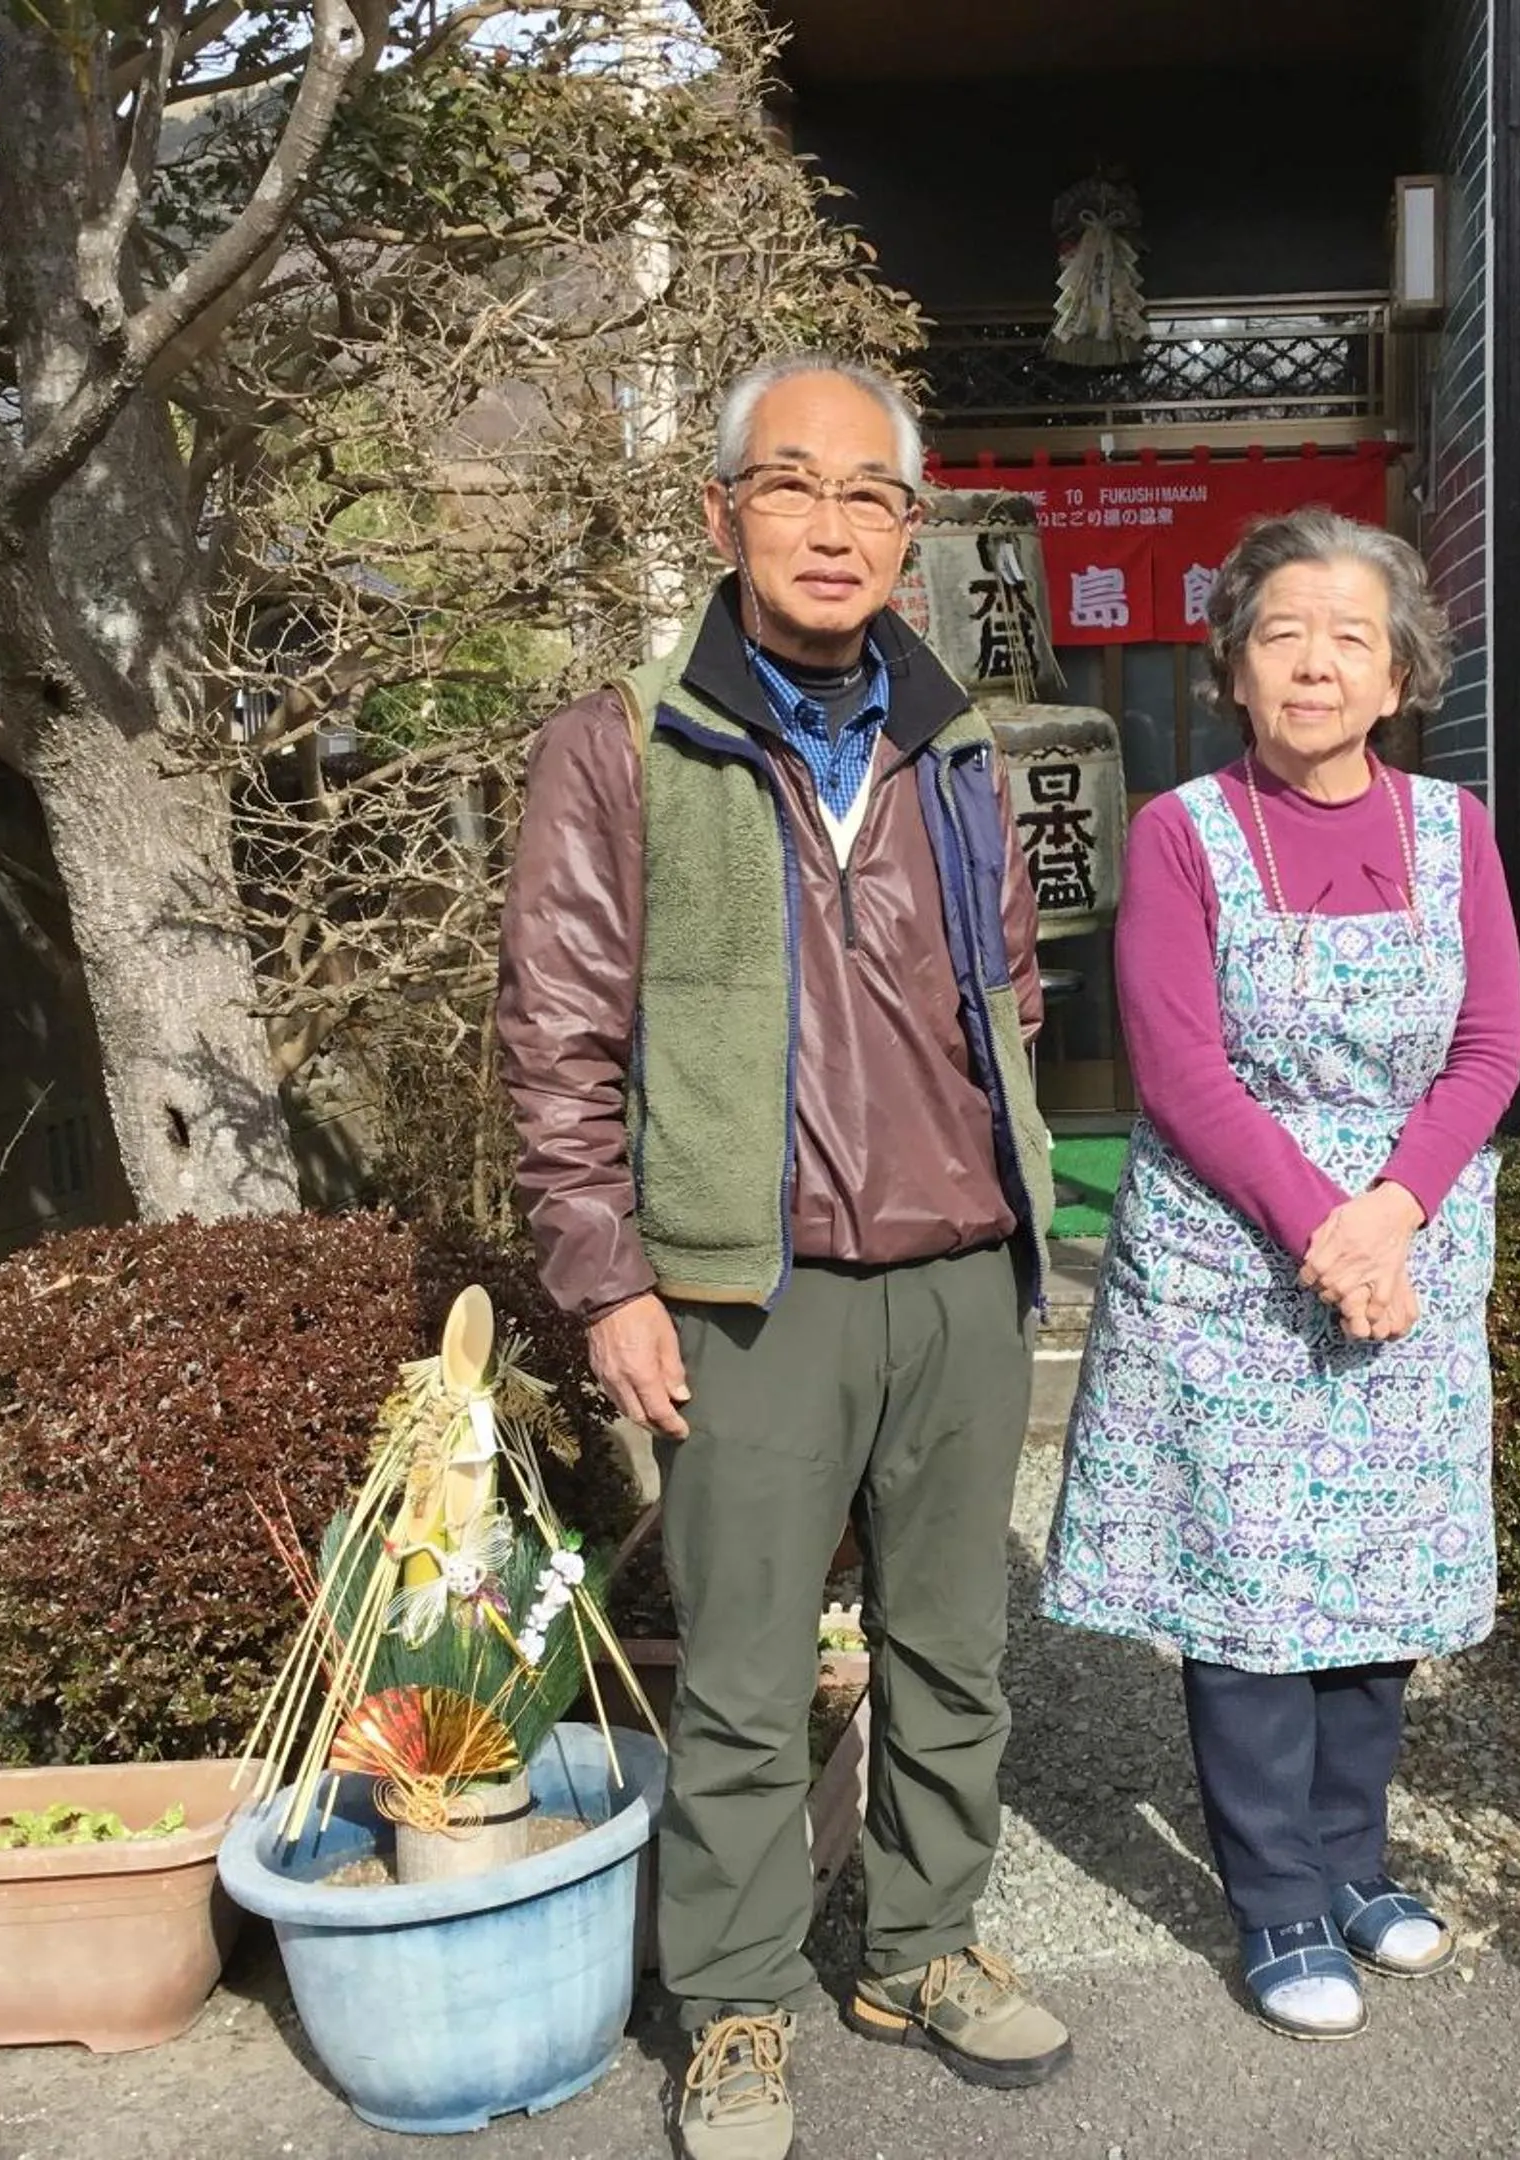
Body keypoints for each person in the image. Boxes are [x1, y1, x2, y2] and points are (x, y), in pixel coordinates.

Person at [497, 354, 1070, 2160]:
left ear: (913, 531)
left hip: (960, 1271)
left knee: (953, 1647)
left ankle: (921, 1943)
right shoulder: (626, 746)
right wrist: (606, 1279)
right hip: (749, 1285)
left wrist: (1009, 1199)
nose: (833, 527)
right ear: (723, 510)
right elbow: (560, 1034)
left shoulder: (955, 742)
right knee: (743, 1670)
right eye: (793, 485)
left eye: (871, 497)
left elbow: (1012, 989)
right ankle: (737, 2004)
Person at [1041, 508, 1520, 2042]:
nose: (1315, 663)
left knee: (1375, 1583)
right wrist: (1329, 1228)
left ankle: (1355, 1863)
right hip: (1231, 1261)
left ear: (1398, 679)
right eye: (1282, 635)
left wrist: (1391, 1215)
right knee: (1249, 1594)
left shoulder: (1455, 832)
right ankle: (1276, 1902)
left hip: (1409, 1242)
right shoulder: (1180, 830)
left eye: (1350, 638)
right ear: (1236, 670)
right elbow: (1180, 1072)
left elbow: (1493, 1045)